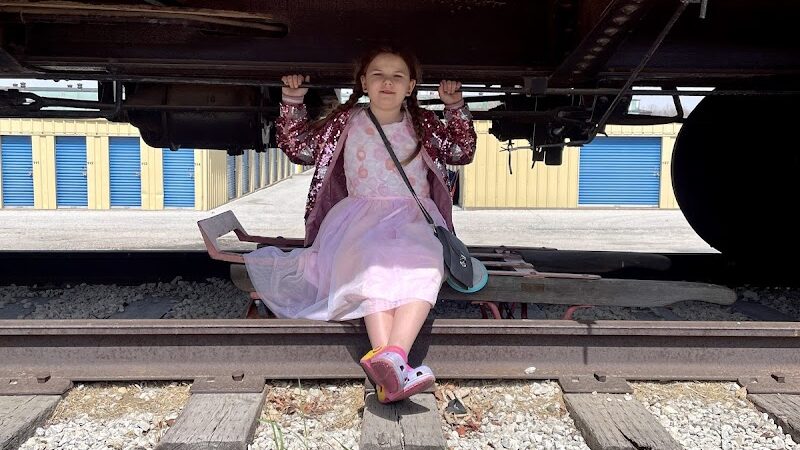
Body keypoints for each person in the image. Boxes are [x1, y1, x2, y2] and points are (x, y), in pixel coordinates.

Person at [243, 46, 477, 403]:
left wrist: (454, 106)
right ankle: (394, 367)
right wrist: (292, 99)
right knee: (370, 272)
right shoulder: (347, 121)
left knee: (426, 267)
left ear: (411, 86)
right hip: (359, 219)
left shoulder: (425, 123)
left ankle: (391, 362)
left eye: (398, 76)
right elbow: (299, 148)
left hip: (415, 218)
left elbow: (461, 151)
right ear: (364, 82)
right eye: (378, 74)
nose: (388, 82)